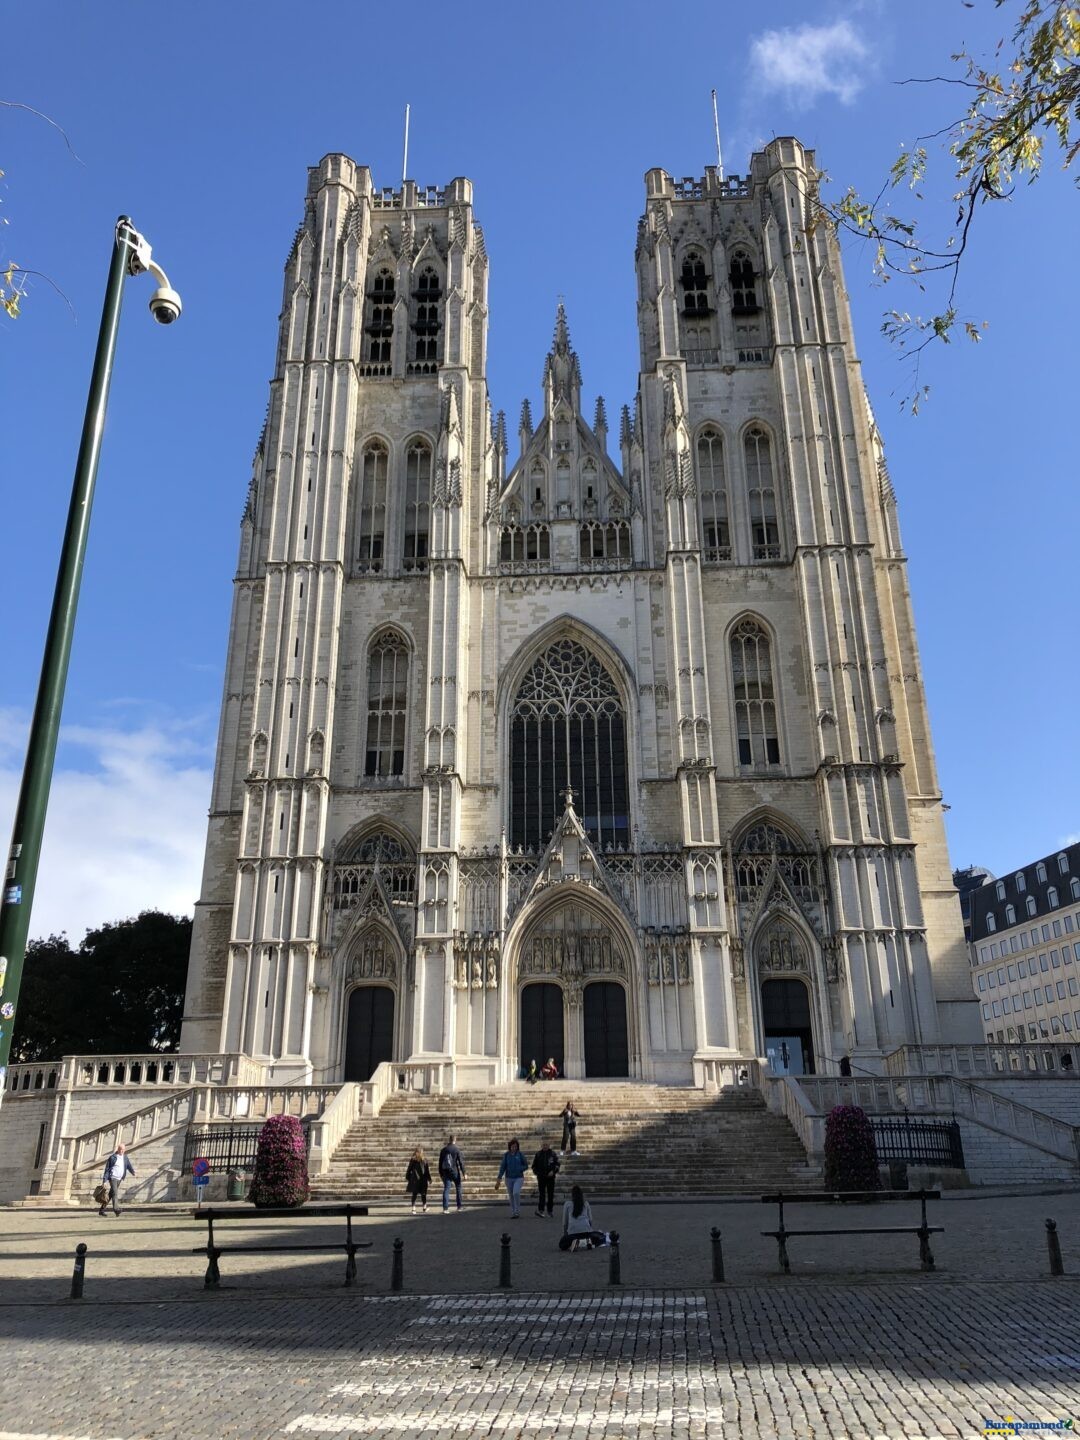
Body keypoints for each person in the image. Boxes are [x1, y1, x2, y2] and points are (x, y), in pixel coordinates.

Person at [559, 1184, 607, 1251]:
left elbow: (565, 1222)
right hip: (586, 1233)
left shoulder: (567, 1204)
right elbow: (590, 1220)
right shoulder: (586, 1203)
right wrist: (589, 1229)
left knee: (562, 1244)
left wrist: (565, 1235)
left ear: (572, 1195)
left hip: (573, 1233)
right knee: (599, 1238)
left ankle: (576, 1243)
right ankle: (587, 1242)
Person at [496, 1137, 529, 1218]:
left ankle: (517, 1210)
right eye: (512, 1146)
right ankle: (514, 1212)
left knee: (516, 1192)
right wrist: (499, 1178)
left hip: (519, 1177)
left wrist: (520, 1169)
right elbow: (502, 1167)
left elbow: (526, 1165)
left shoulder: (520, 1154)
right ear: (510, 1147)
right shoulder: (506, 1155)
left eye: (515, 1146)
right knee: (511, 1195)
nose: (514, 1148)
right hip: (509, 1178)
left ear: (517, 1147)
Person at [99, 1142, 135, 1217]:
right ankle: (116, 1209)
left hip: (119, 1178)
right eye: (121, 1149)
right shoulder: (112, 1157)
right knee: (115, 1192)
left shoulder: (125, 1157)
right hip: (113, 1178)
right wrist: (104, 1180)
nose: (122, 1151)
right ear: (118, 1149)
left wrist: (133, 1172)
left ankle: (102, 1210)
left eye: (123, 1149)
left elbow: (128, 1166)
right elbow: (107, 1169)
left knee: (111, 1194)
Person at [531, 1138, 560, 1217]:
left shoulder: (553, 1154)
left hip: (551, 1178)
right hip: (541, 1178)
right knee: (542, 1194)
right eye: (543, 1145)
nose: (545, 1146)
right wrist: (537, 1173)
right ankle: (541, 1210)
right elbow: (533, 1166)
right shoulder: (538, 1154)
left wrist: (553, 1172)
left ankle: (550, 1210)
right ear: (541, 1146)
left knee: (550, 1194)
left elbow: (557, 1165)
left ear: (549, 1145)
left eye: (546, 1145)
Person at [438, 1134, 466, 1212]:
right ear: (455, 1140)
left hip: (446, 1171)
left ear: (449, 1140)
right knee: (458, 1187)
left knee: (446, 1189)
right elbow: (461, 1162)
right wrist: (464, 1173)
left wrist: (441, 1173)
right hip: (455, 1171)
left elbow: (440, 1163)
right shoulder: (456, 1149)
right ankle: (459, 1207)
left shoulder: (443, 1150)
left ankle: (445, 1208)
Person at [405, 1148, 431, 1214]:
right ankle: (424, 1207)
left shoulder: (413, 1160)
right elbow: (427, 1172)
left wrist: (408, 1178)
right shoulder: (424, 1160)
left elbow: (409, 1169)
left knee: (414, 1194)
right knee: (423, 1194)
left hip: (415, 1180)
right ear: (422, 1152)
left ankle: (414, 1208)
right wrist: (429, 1179)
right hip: (423, 1180)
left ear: (416, 1152)